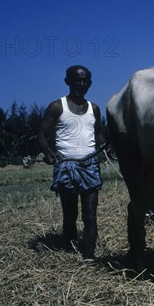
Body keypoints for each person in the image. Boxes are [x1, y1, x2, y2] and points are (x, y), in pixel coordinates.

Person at [38, 65, 107, 259]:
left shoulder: (94, 108)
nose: (82, 84)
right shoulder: (57, 106)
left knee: (90, 216)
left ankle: (89, 257)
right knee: (70, 215)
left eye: (85, 81)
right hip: (66, 166)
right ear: (67, 81)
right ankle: (68, 251)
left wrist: (106, 145)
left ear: (90, 83)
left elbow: (99, 133)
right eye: (78, 80)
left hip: (90, 166)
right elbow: (41, 135)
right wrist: (50, 154)